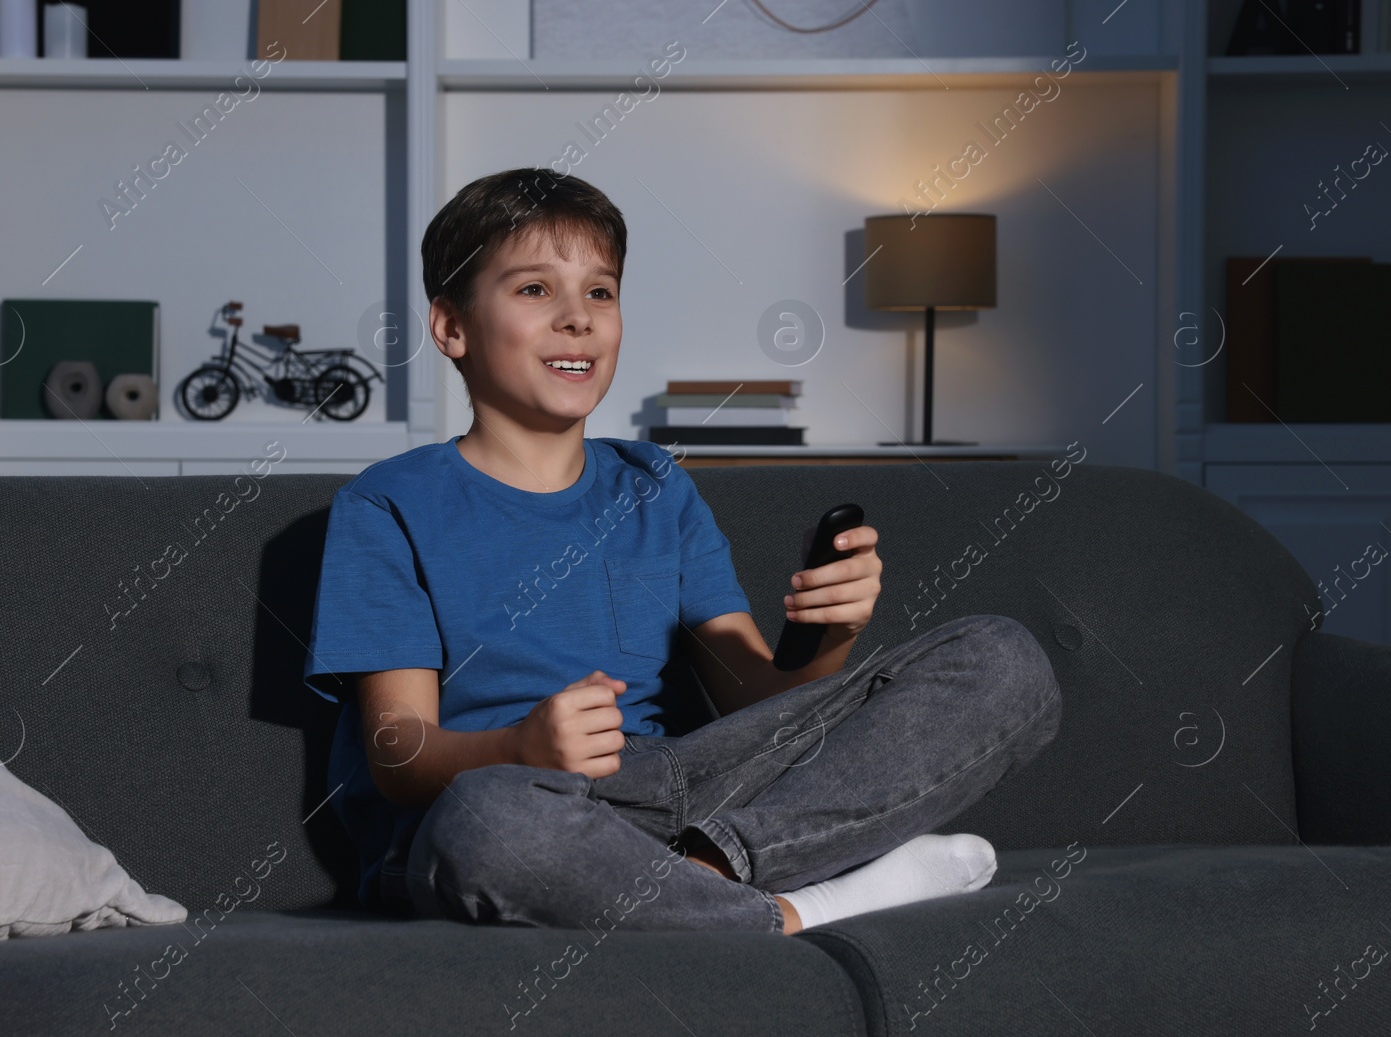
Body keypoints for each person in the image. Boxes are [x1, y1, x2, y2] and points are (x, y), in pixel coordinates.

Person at [303, 166, 1062, 934]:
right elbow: (397, 754)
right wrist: (521, 745)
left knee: (1002, 658)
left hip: (690, 790)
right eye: (535, 290)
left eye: (600, 292)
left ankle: (701, 882)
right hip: (519, 799)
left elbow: (760, 702)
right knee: (487, 821)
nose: (578, 319)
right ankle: (809, 906)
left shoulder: (654, 484)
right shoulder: (388, 503)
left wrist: (830, 634)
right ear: (451, 327)